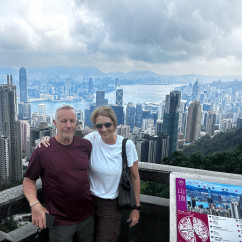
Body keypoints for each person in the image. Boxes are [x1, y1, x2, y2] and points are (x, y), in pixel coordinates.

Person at [40, 105, 141, 242]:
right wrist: (47, 141)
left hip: (111, 205)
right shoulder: (92, 139)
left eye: (107, 124)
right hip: (87, 202)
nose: (103, 129)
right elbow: (69, 143)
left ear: (115, 123)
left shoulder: (126, 145)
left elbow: (135, 177)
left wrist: (136, 208)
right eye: (99, 126)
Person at [23, 105, 94, 242]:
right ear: (55, 123)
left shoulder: (86, 145)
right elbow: (28, 180)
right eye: (63, 121)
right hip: (59, 221)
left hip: (88, 216)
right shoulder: (42, 151)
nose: (69, 125)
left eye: (72, 121)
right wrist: (35, 204)